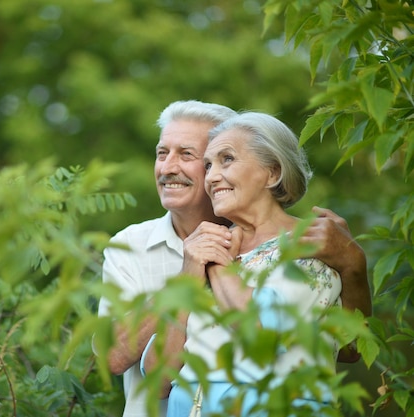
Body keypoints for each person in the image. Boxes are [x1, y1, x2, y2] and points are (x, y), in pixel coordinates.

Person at [96, 101, 371, 417]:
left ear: (273, 172)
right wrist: (190, 275)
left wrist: (353, 263)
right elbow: (156, 377)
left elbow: (342, 346)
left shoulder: (309, 248)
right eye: (209, 164)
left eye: (192, 156)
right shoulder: (159, 248)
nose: (212, 176)